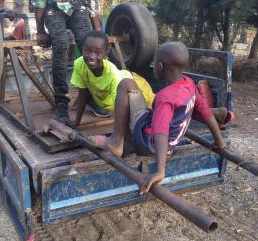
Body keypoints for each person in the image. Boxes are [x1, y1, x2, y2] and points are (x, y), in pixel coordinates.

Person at [88, 41, 227, 194]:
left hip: (147, 141)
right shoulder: (190, 85)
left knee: (125, 84)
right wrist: (219, 141)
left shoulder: (165, 98)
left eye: (154, 63)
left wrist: (160, 170)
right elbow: (207, 113)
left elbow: (160, 131)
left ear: (160, 66)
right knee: (134, 90)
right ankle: (130, 138)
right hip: (167, 146)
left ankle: (115, 142)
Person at [70, 31, 155, 126]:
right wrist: (76, 123)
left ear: (106, 54)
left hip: (136, 87)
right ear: (82, 49)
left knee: (146, 114)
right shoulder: (79, 64)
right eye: (87, 51)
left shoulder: (113, 75)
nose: (91, 57)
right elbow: (82, 93)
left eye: (98, 53)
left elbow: (123, 108)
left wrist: (119, 134)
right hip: (106, 98)